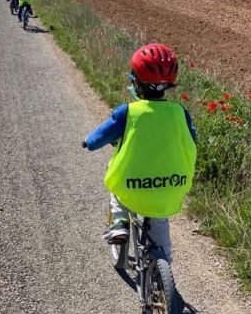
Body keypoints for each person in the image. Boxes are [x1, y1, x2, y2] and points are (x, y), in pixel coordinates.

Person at [82, 44, 197, 264]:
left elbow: (99, 138)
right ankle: (163, 265)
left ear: (135, 81)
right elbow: (192, 139)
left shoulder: (127, 113)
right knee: (159, 221)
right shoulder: (181, 113)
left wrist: (88, 143)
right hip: (171, 184)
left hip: (134, 185)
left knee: (116, 182)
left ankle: (118, 224)